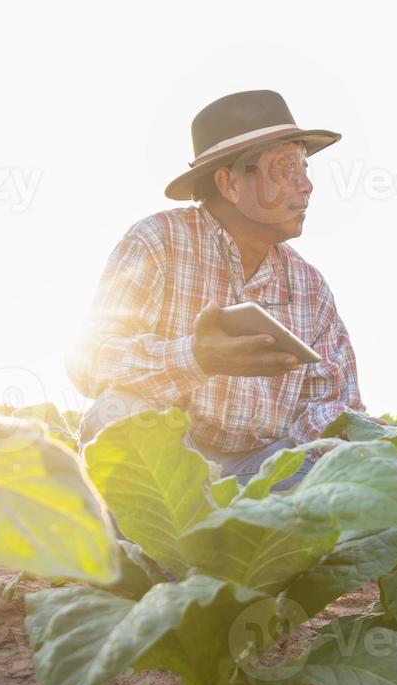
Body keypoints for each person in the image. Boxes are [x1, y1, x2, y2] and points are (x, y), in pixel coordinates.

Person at [67, 89, 370, 485]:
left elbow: (336, 403)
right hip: (171, 463)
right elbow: (89, 363)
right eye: (284, 168)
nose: (306, 185)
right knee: (119, 412)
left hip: (261, 471)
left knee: (352, 463)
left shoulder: (309, 287)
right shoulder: (157, 242)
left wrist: (348, 435)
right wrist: (196, 358)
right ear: (229, 183)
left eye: (304, 167)